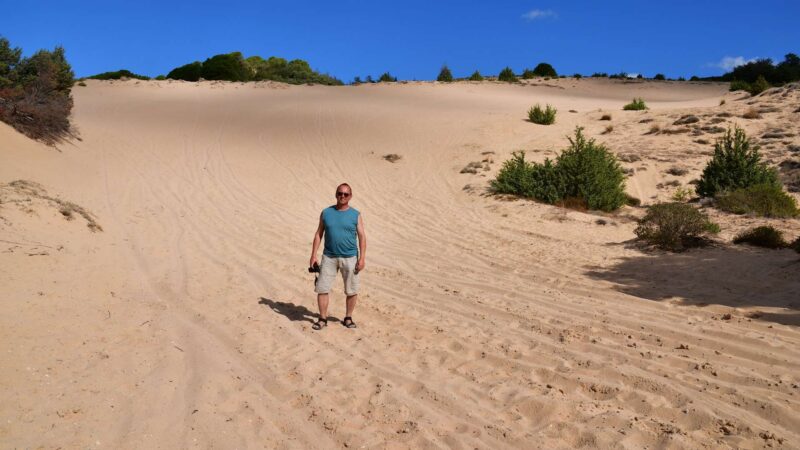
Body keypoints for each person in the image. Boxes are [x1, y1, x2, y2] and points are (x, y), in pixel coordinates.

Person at [309, 183, 366, 330]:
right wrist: (313, 255)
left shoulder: (356, 214)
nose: (342, 196)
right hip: (329, 257)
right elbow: (318, 234)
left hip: (350, 257)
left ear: (350, 196)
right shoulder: (326, 212)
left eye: (346, 194)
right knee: (322, 288)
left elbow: (362, 237)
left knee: (351, 290)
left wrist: (362, 258)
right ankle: (322, 318)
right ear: (336, 194)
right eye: (340, 193)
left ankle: (348, 317)